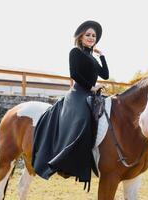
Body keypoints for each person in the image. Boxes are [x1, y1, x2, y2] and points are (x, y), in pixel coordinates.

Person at [31, 20, 109, 189]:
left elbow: (105, 74)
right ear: (81, 37)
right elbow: (74, 73)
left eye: (93, 35)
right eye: (88, 34)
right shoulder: (75, 52)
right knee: (83, 118)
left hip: (91, 93)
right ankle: (66, 161)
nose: (91, 37)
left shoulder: (92, 57)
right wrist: (91, 87)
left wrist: (102, 56)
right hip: (78, 93)